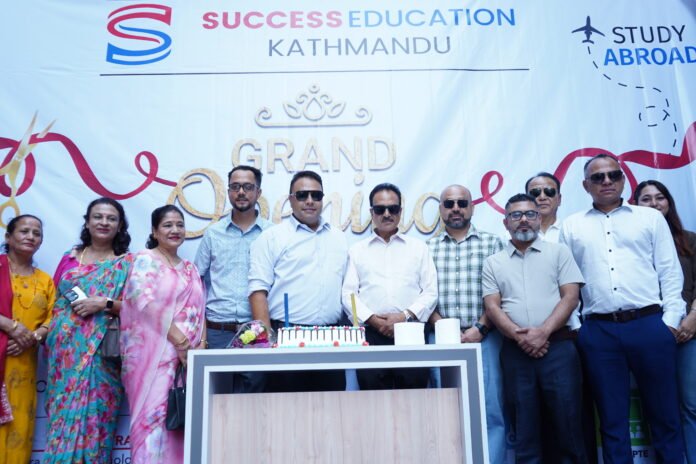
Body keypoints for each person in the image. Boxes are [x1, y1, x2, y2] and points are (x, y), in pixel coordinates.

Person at [561, 154, 685, 463]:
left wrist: (670, 322)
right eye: (598, 177)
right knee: (612, 421)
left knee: (665, 416)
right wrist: (577, 327)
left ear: (623, 179)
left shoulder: (649, 218)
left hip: (649, 325)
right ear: (585, 185)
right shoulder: (572, 225)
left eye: (613, 175)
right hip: (598, 331)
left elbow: (669, 271)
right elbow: (566, 281)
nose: (607, 181)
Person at [483, 194, 587, 463]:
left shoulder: (559, 252)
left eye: (530, 214)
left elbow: (570, 297)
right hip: (516, 353)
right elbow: (492, 307)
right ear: (506, 223)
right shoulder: (493, 262)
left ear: (539, 219)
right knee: (524, 430)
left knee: (568, 425)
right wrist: (522, 338)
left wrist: (543, 332)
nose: (523, 220)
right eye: (516, 215)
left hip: (559, 348)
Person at [45, 197, 132, 463]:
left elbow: (138, 309)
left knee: (95, 427)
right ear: (87, 222)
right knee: (61, 426)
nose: (104, 222)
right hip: (64, 357)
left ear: (120, 226)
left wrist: (103, 303)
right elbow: (54, 303)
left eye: (111, 218)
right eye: (98, 217)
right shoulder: (69, 259)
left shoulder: (127, 264)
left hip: (101, 358)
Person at [425, 184, 507, 464]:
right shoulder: (427, 248)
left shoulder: (493, 243)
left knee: (490, 407)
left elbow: (503, 291)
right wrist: (442, 327)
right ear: (441, 209)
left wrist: (480, 328)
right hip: (440, 337)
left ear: (472, 207)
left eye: (462, 203)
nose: (456, 208)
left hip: (486, 336)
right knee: (444, 406)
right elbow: (422, 294)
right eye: (449, 203)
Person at [120, 205, 206, 463]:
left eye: (180, 225)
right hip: (155, 360)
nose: (175, 230)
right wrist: (180, 341)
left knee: (182, 425)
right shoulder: (146, 260)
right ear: (155, 231)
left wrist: (200, 347)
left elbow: (200, 309)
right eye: (168, 225)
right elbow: (142, 302)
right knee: (153, 425)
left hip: (190, 361)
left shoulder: (190, 268)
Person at [249, 170, 348, 392]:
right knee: (284, 407)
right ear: (290, 199)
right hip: (285, 336)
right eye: (302, 195)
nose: (310, 201)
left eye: (316, 195)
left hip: (332, 338)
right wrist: (268, 341)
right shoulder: (271, 238)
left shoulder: (339, 238)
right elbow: (257, 290)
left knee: (333, 407)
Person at [342, 183, 437, 389]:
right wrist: (374, 320)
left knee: (414, 398)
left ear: (400, 212)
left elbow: (430, 292)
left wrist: (403, 316)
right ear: (372, 213)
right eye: (380, 209)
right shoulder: (357, 251)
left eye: (392, 209)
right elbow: (348, 294)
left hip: (411, 333)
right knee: (372, 400)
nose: (387, 214)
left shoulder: (419, 248)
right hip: (370, 335)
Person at [634, 179, 696, 463]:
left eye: (659, 197)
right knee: (658, 406)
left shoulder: (689, 239)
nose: (654, 203)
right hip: (648, 332)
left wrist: (691, 319)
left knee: (690, 404)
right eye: (646, 199)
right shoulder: (632, 243)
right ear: (636, 205)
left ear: (669, 202)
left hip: (687, 332)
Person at [195, 165, 271, 392]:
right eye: (235, 187)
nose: (241, 192)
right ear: (228, 192)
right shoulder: (213, 234)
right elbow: (195, 283)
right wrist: (202, 337)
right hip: (218, 331)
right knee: (216, 402)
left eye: (248, 187)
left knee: (253, 402)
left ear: (258, 192)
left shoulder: (272, 234)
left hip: (257, 331)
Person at [0, 215, 55, 463]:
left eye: (37, 233)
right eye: (24, 231)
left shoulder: (44, 280)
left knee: (19, 432)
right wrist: (9, 326)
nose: (31, 237)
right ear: (8, 237)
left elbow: (54, 318)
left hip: (23, 368)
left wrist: (33, 336)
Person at [525, 172, 562, 242]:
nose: (542, 197)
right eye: (535, 193)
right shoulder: (512, 236)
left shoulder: (570, 231)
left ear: (559, 199)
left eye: (549, 192)